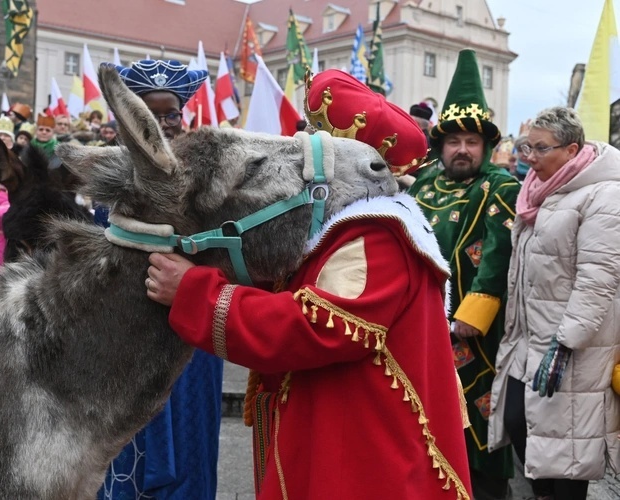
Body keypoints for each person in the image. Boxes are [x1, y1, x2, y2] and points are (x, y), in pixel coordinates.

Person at [144, 68, 472, 499]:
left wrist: (195, 293)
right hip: (347, 421)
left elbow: (319, 324)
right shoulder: (344, 221)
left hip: (365, 446)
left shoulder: (376, 233)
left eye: (316, 146)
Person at [96, 59, 223, 500]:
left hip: (192, 334)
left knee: (191, 447)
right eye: (152, 114)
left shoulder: (211, 182)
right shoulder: (108, 177)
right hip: (123, 337)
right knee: (123, 447)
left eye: (172, 114)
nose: (164, 124)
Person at [488, 106, 620, 500]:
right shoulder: (536, 189)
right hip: (528, 340)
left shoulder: (604, 194)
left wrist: (565, 343)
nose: (528, 156)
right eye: (527, 146)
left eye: (540, 149)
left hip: (573, 345)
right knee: (518, 422)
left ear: (572, 149)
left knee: (567, 453)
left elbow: (597, 279)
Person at [407, 49, 520, 500]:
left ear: (485, 146)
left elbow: (498, 251)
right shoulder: (421, 184)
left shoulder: (499, 185)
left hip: (475, 332)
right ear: (441, 145)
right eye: (453, 141)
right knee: (425, 418)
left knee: (479, 422)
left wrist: (474, 313)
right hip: (420, 324)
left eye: (472, 141)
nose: (462, 149)